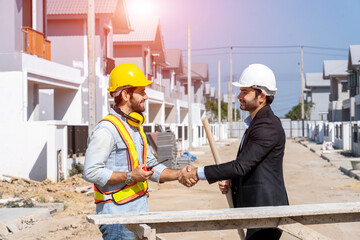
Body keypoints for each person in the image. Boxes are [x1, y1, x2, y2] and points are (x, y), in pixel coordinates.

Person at [84, 63, 194, 240]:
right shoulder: (107, 130)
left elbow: (150, 165)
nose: (146, 96)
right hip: (118, 219)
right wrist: (129, 176)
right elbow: (91, 171)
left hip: (139, 213)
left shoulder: (135, 127)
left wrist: (179, 174)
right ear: (126, 94)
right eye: (141, 91)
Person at [179, 64, 289, 240]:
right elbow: (252, 165)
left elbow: (241, 166)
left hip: (266, 214)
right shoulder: (257, 123)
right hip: (257, 213)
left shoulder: (266, 125)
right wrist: (232, 179)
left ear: (261, 96)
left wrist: (197, 172)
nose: (239, 96)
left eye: (245, 91)